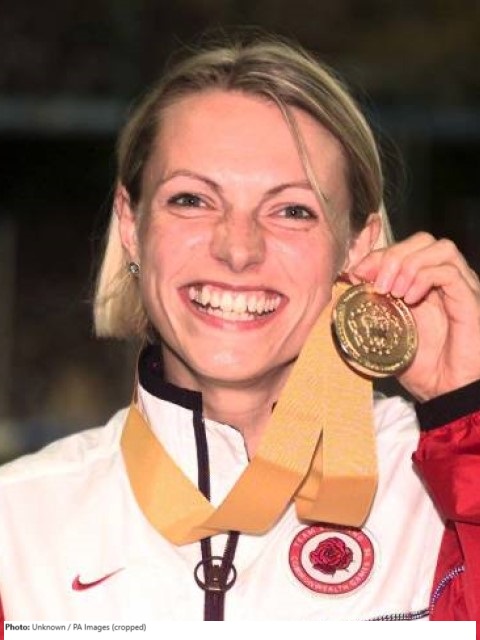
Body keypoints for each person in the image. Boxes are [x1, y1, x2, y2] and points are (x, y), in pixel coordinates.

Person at [0, 35, 479, 623]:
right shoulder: (18, 526)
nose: (238, 249)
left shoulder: (442, 500)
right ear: (131, 224)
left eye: (293, 210)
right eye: (192, 200)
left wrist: (468, 422)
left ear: (357, 245)